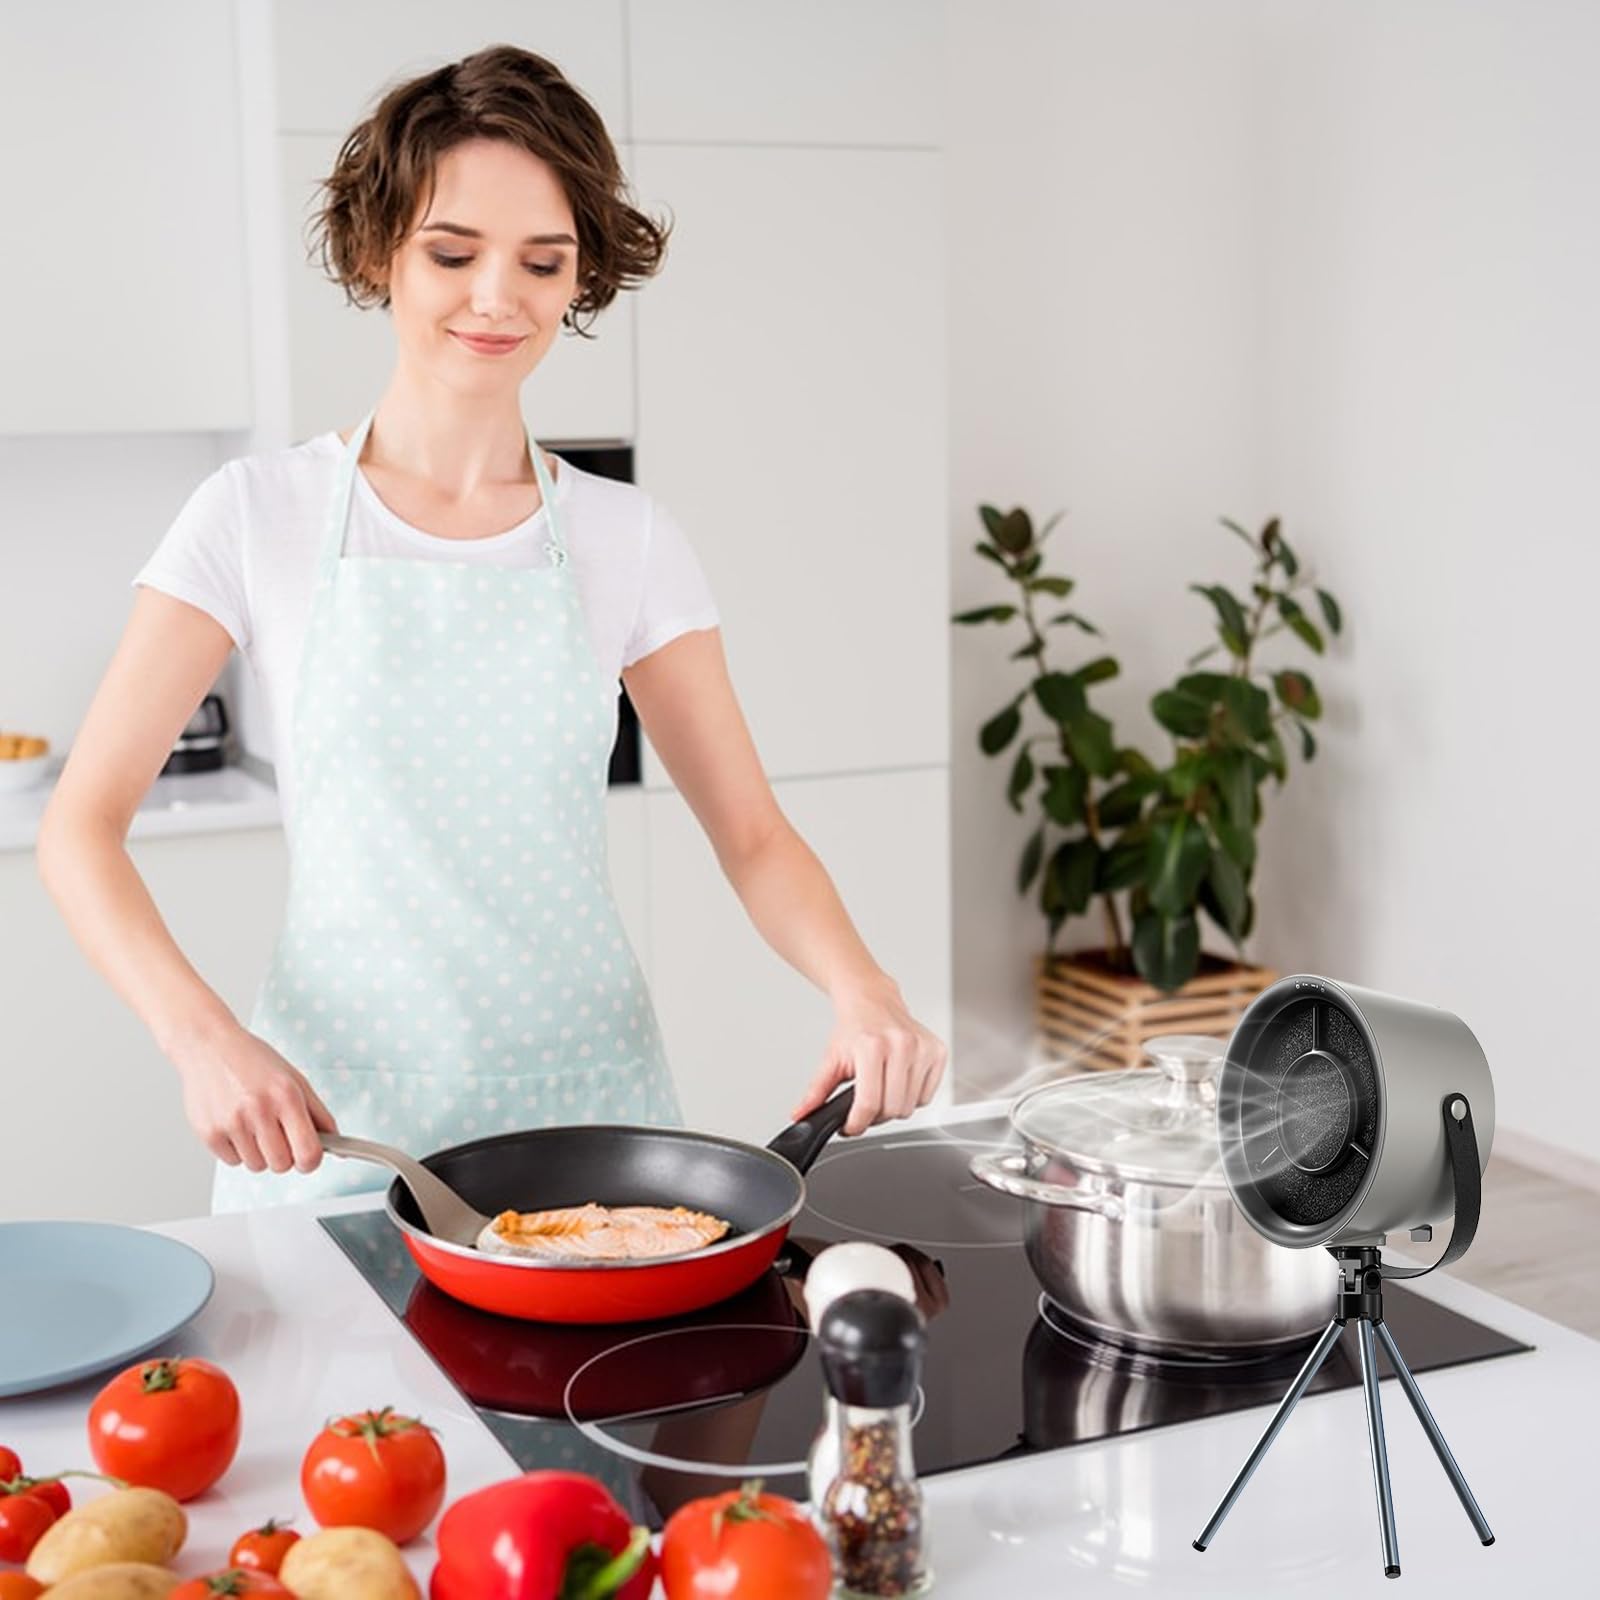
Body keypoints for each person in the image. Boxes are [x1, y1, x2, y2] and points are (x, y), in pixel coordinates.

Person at [37, 44, 947, 1211]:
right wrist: (201, 1037)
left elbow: (754, 837)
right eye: (452, 252)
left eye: (542, 261)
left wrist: (862, 986)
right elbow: (83, 828)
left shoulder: (626, 537)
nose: (496, 298)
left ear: (581, 280)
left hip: (588, 1118)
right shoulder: (257, 515)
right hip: (336, 1127)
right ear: (379, 253)